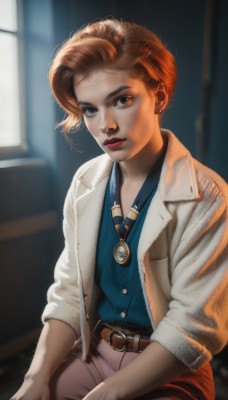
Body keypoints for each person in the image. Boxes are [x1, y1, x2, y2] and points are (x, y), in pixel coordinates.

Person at [11, 18, 228, 400]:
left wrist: (109, 393)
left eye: (122, 100)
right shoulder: (85, 182)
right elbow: (68, 293)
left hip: (171, 369)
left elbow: (192, 328)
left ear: (159, 96)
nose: (105, 125)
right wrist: (36, 377)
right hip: (94, 353)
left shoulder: (209, 197)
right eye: (90, 110)